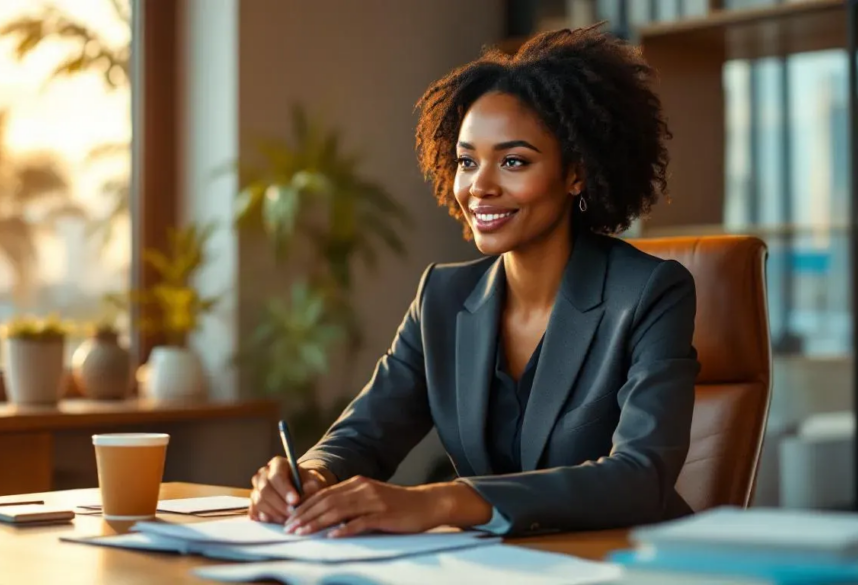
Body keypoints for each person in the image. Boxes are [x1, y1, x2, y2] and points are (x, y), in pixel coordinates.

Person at [248, 24, 699, 538]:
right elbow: (364, 435)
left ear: (576, 173)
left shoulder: (650, 292)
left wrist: (446, 501)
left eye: (512, 161)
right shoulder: (442, 297)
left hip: (626, 562)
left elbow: (641, 478)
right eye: (466, 161)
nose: (479, 186)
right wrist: (309, 473)